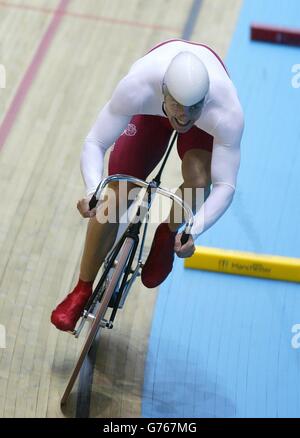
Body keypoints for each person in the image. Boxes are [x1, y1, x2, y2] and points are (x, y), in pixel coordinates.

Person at [51, 39, 244, 332]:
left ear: (205, 100)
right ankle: (81, 289)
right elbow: (95, 142)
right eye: (178, 104)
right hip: (152, 114)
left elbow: (225, 186)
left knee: (200, 178)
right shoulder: (139, 86)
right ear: (164, 91)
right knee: (115, 198)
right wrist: (93, 191)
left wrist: (194, 229)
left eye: (193, 106)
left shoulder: (225, 111)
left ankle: (168, 233)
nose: (183, 115)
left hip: (201, 128)